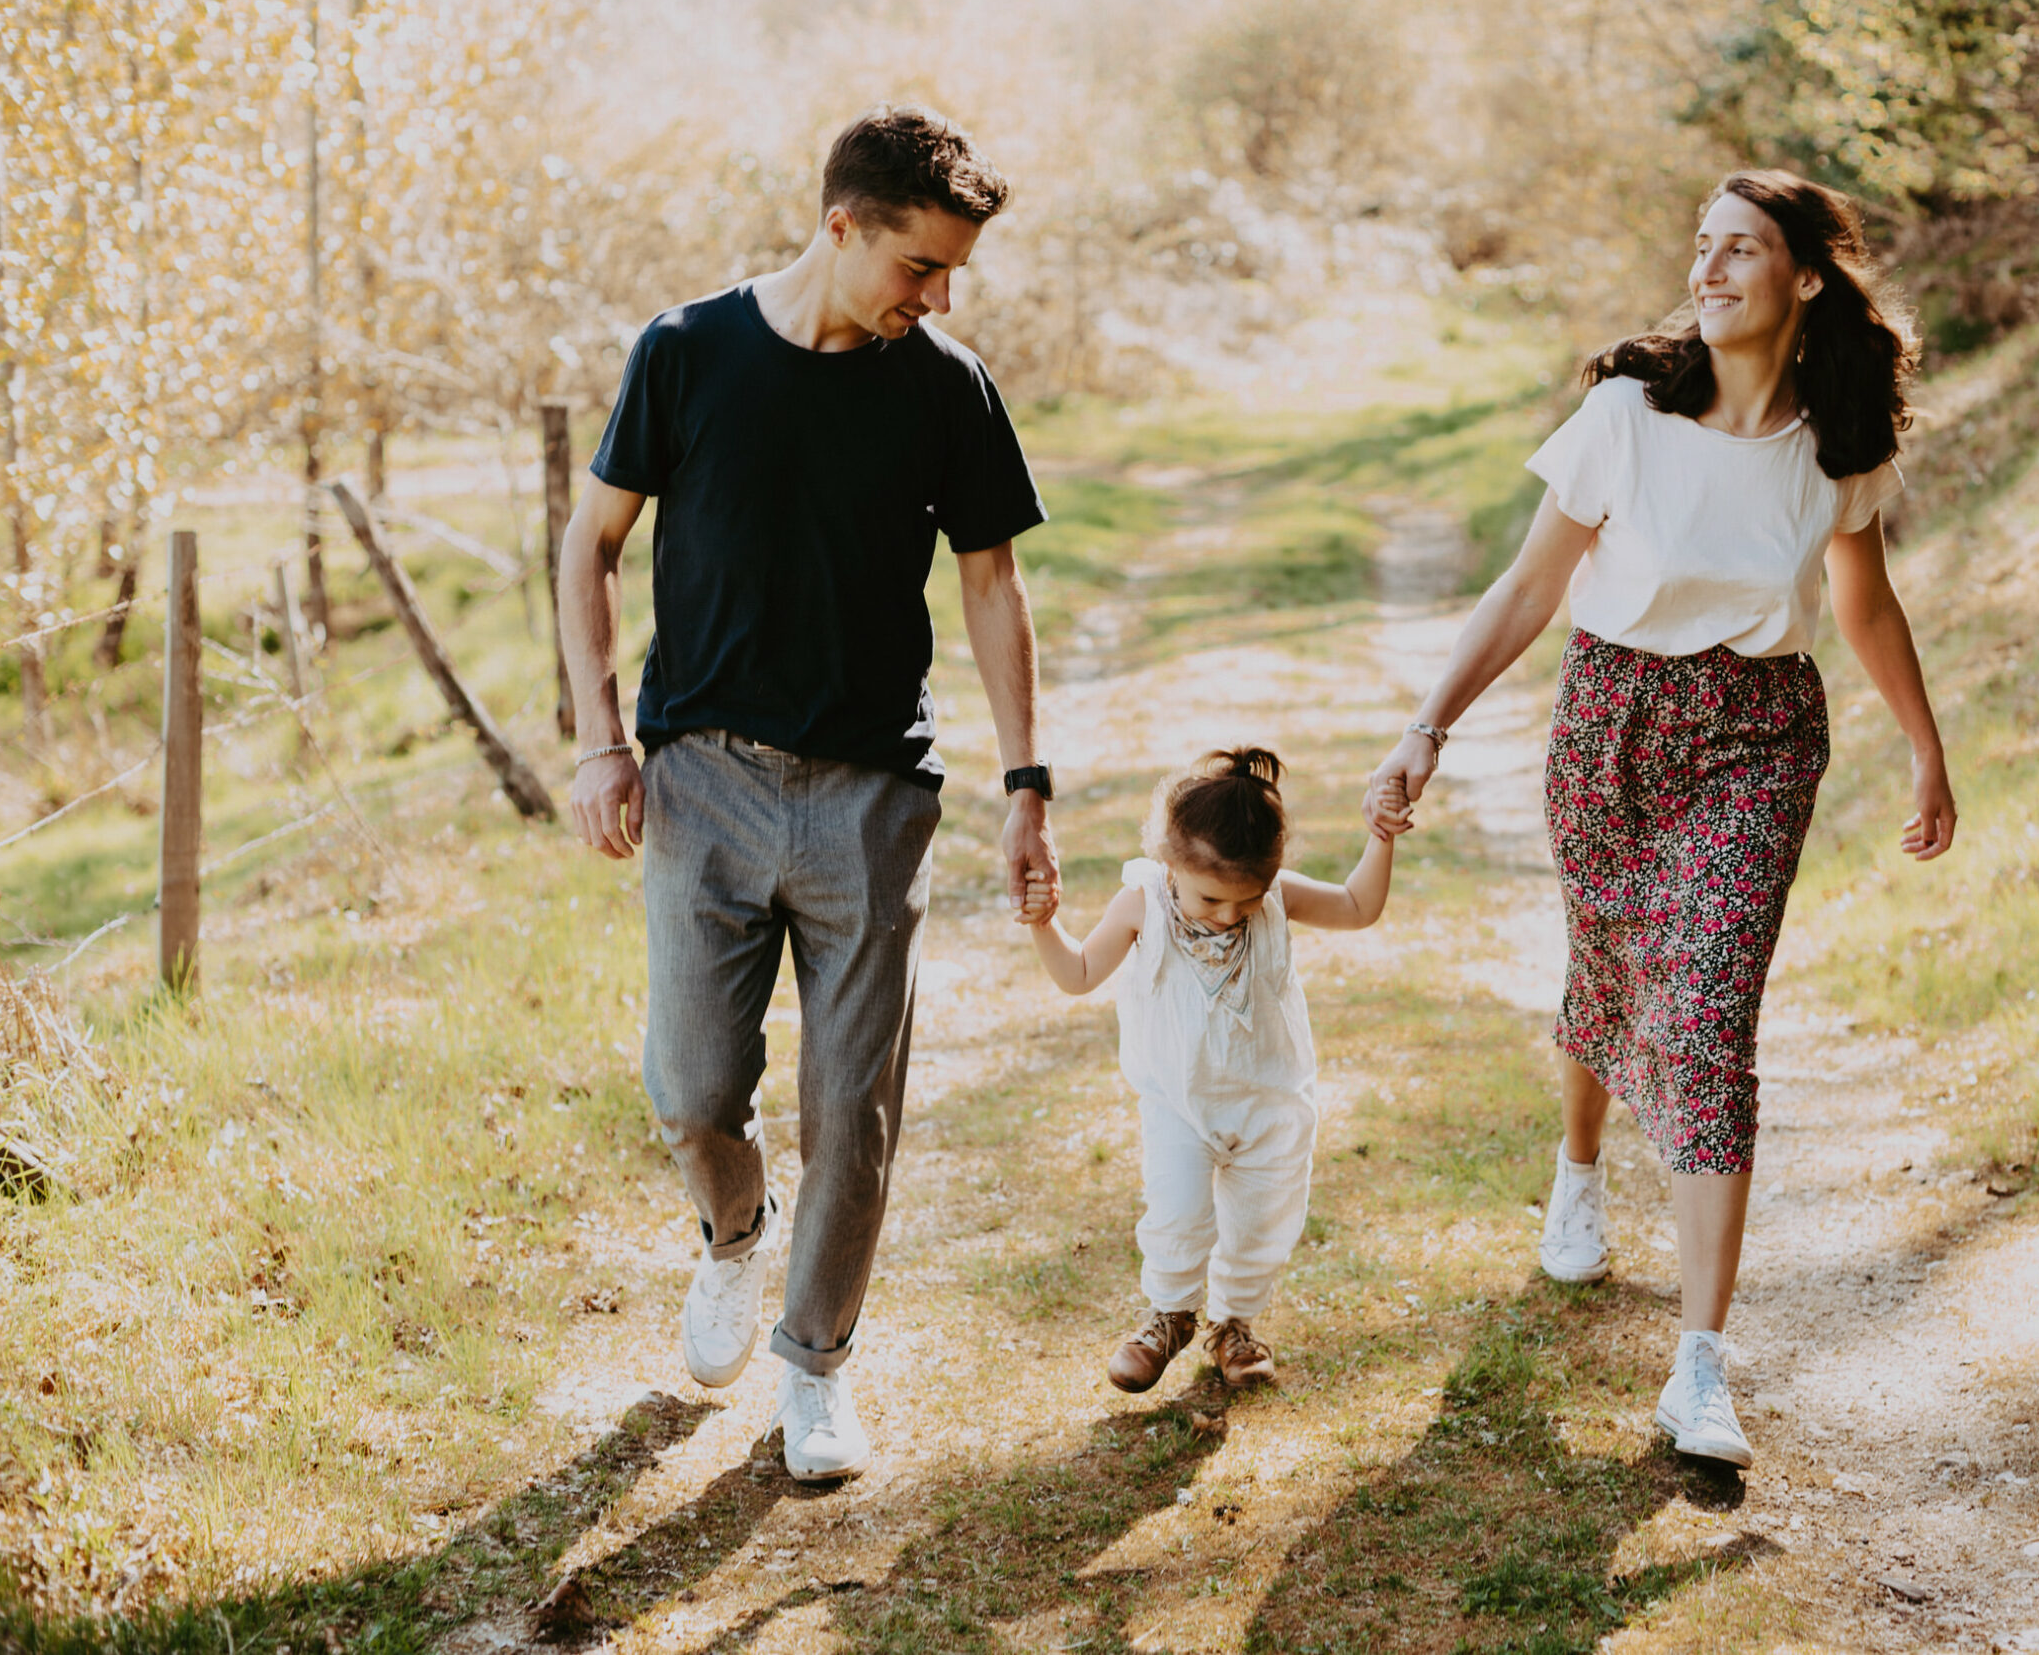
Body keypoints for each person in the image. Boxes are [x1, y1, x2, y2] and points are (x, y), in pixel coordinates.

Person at [1365, 170, 1956, 1470]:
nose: (1711, 267)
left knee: (1706, 1022)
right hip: (1613, 720)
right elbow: (1532, 587)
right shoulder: (1628, 411)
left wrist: (1924, 746)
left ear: (1804, 277)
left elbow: (1861, 602)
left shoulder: (1836, 434)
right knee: (1615, 972)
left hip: (1758, 737)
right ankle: (1579, 1168)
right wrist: (1430, 724)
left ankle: (1701, 1367)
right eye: (1703, 245)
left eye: (1741, 248)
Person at [557, 105, 1058, 1484]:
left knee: (858, 1106)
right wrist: (602, 741)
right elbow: (589, 545)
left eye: (954, 274)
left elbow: (994, 584)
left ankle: (818, 1365)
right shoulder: (685, 354)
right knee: (692, 1085)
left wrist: (1028, 785)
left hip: (872, 798)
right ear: (843, 227)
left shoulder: (946, 385)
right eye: (922, 268)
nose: (941, 297)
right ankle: (731, 1234)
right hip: (702, 782)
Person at [1018, 749, 1395, 1393]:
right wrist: (1044, 923)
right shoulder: (1143, 904)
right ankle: (1169, 1315)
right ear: (1170, 860)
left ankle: (1233, 1324)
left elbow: (1359, 906)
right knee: (1177, 1210)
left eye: (1245, 903)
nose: (1228, 915)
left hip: (1269, 1103)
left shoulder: (1274, 896)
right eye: (1213, 897)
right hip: (1177, 1104)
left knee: (1260, 1222)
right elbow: (1078, 974)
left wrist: (1380, 835)